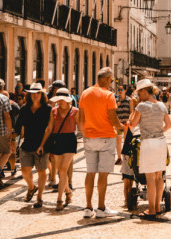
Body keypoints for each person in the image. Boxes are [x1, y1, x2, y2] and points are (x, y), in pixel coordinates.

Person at [78, 67, 123, 218]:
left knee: (90, 173)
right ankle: (101, 208)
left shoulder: (85, 93)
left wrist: (85, 134)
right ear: (104, 79)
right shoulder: (108, 95)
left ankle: (88, 207)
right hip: (106, 137)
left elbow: (81, 118)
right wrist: (121, 128)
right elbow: (113, 118)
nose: (111, 83)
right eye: (111, 80)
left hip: (89, 138)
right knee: (103, 174)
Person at [127, 79, 171, 218]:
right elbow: (168, 125)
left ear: (145, 91)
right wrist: (158, 131)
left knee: (150, 178)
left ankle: (151, 210)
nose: (138, 96)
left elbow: (132, 124)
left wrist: (131, 115)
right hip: (161, 142)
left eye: (139, 93)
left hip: (148, 143)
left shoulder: (142, 106)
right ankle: (157, 207)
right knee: (159, 177)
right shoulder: (162, 105)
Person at [38, 88, 79, 211]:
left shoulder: (75, 111)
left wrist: (89, 139)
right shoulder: (53, 111)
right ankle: (68, 191)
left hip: (70, 140)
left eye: (62, 100)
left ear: (67, 100)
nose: (60, 102)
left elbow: (81, 126)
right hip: (57, 140)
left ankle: (59, 199)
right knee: (60, 172)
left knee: (63, 170)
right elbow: (49, 128)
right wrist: (42, 144)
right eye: (58, 99)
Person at [14, 83, 52, 208]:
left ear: (42, 94)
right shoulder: (25, 109)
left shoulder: (47, 109)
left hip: (42, 145)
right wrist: (12, 138)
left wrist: (46, 144)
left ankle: (39, 197)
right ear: (29, 95)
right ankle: (31, 187)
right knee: (25, 171)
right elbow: (18, 125)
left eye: (38, 93)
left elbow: (50, 128)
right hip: (27, 144)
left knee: (42, 171)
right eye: (33, 93)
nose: (35, 95)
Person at [115, 86, 131, 166]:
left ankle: (126, 158)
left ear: (125, 90)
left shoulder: (129, 100)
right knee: (118, 141)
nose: (120, 91)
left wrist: (128, 120)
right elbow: (113, 112)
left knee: (126, 140)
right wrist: (116, 105)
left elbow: (132, 112)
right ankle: (119, 158)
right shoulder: (116, 99)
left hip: (126, 124)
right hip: (118, 124)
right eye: (119, 89)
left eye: (121, 90)